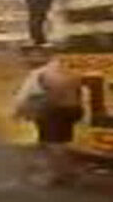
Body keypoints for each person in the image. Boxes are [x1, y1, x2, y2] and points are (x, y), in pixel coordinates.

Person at [12, 56, 84, 185]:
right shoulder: (71, 72)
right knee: (62, 141)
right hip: (73, 109)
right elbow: (79, 92)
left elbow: (24, 95)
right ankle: (68, 172)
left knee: (51, 143)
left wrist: (17, 112)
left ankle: (57, 174)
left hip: (52, 110)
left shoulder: (39, 73)